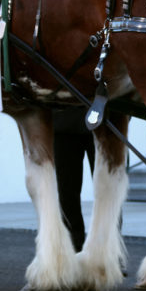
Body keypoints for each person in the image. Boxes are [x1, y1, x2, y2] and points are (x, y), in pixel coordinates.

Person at [53, 106, 96, 252]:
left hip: (104, 119)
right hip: (63, 122)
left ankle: (109, 250)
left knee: (109, 193)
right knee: (66, 193)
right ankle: (72, 248)